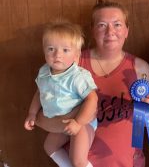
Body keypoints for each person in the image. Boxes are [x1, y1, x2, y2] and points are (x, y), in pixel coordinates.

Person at [35, 0, 149, 167]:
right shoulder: (72, 62)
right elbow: (41, 118)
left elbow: (148, 121)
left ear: (127, 31)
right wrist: (77, 120)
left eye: (117, 24)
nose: (110, 31)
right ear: (93, 31)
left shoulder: (140, 67)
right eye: (102, 25)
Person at [24, 21, 98, 167]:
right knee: (49, 147)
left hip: (82, 122)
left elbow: (92, 99)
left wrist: (78, 122)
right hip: (61, 123)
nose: (57, 54)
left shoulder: (78, 76)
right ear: (44, 51)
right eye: (51, 49)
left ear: (76, 55)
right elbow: (40, 92)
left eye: (65, 50)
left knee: (78, 160)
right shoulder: (44, 72)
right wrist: (32, 113)